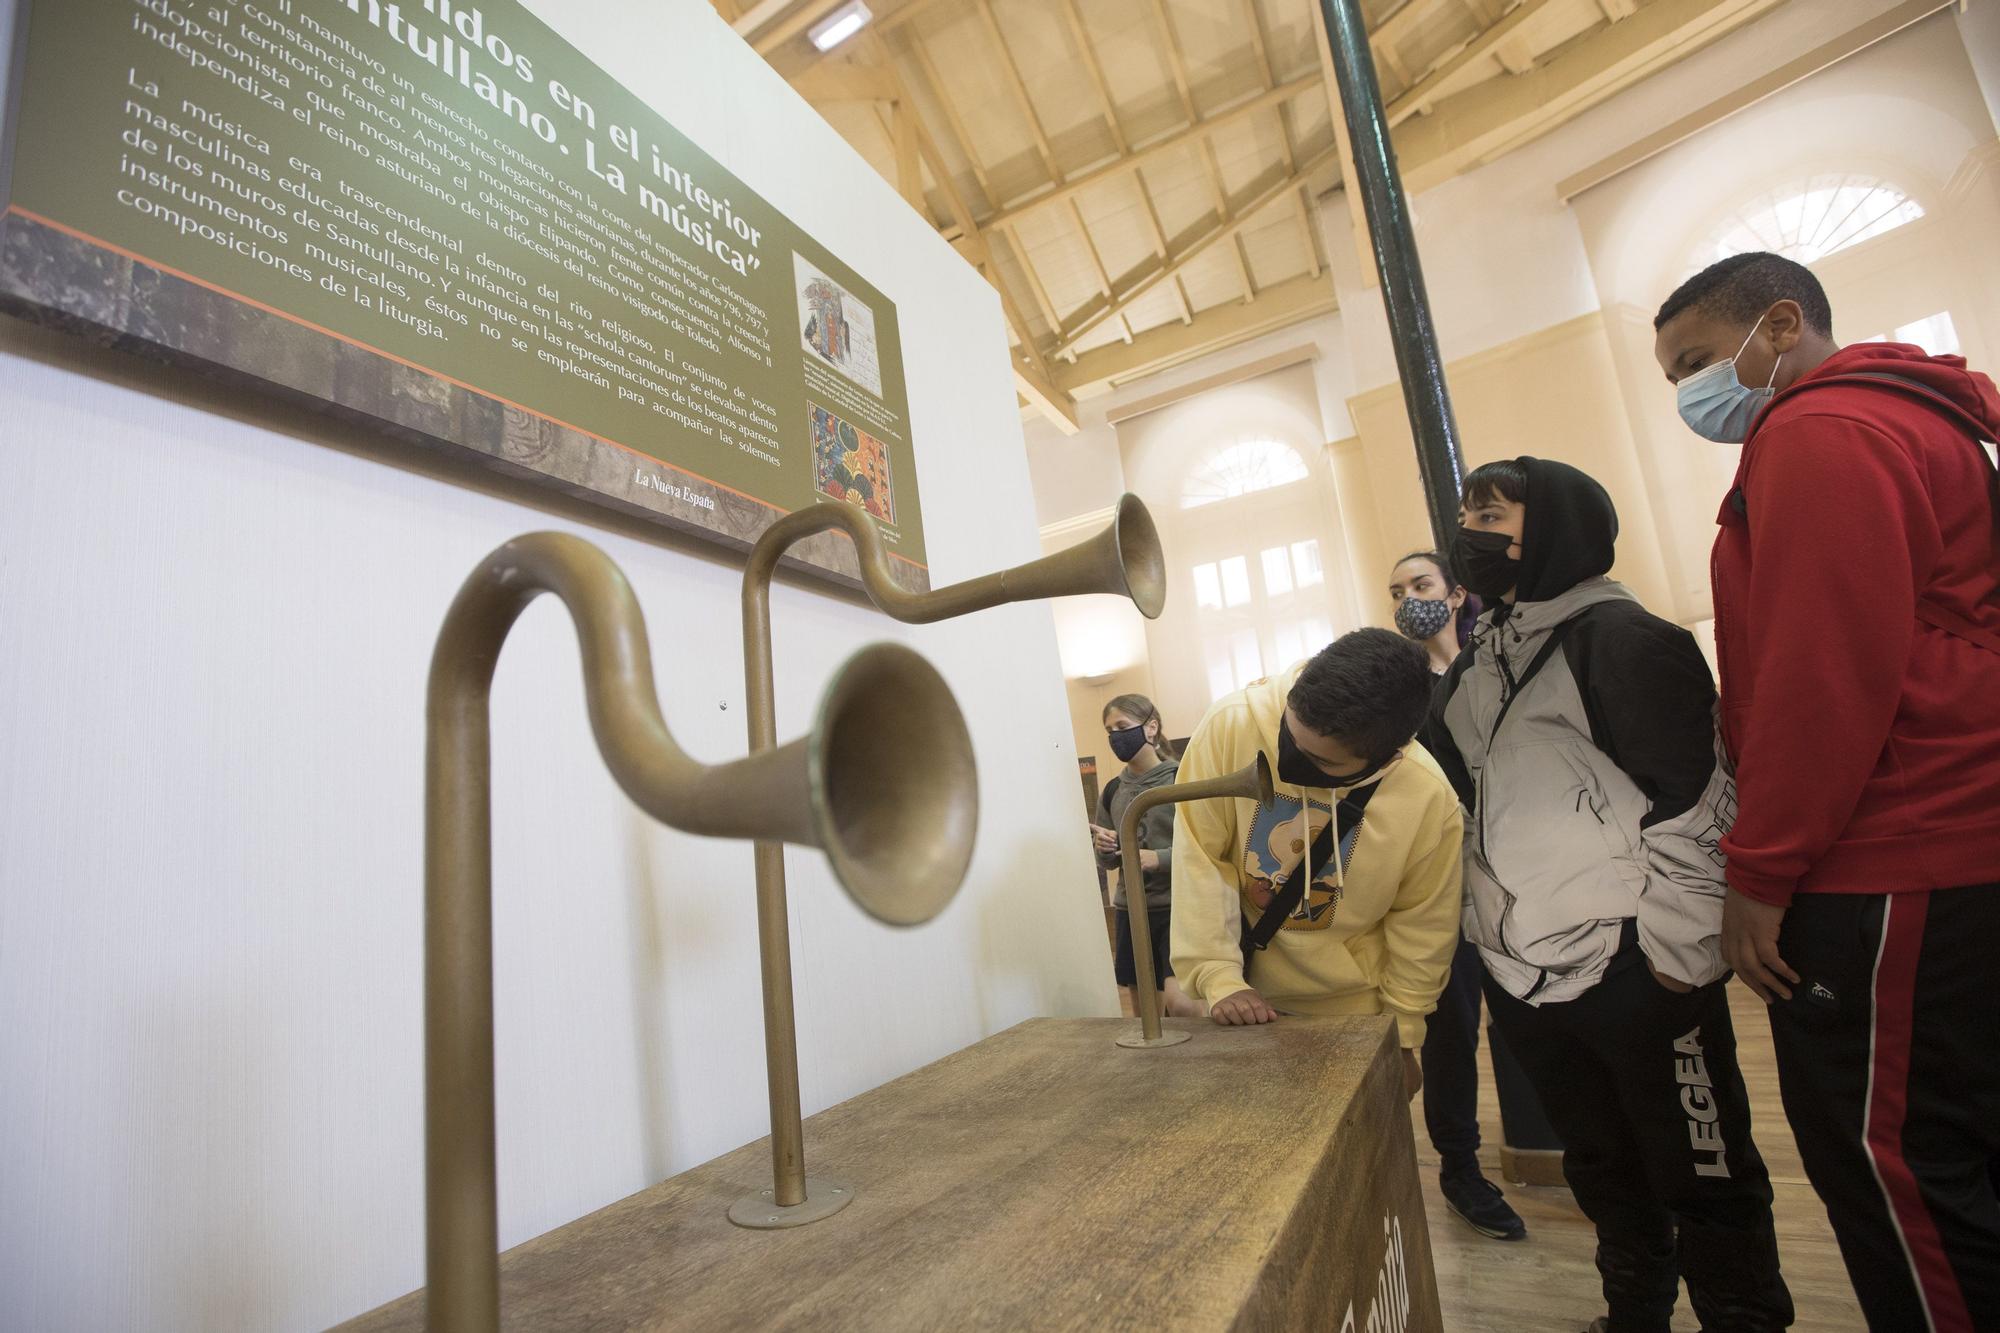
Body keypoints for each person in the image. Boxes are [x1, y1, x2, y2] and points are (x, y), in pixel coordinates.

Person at [1654, 252, 2000, 1331]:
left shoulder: (1815, 432)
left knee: (1892, 1167)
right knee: (1958, 1151)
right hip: (1954, 833)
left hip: (1890, 844)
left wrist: (1759, 869)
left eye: (1697, 361)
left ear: (1782, 322)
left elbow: (1821, 675)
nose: (1687, 394)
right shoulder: (1919, 418)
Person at [1426, 456, 1793, 1333]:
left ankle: (1743, 1318)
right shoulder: (1479, 664)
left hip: (1640, 972)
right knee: (1600, 1163)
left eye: (1494, 512)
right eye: (1467, 511)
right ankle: (1635, 1314)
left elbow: (1698, 803)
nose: (1471, 530)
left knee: (1703, 1172)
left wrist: (1674, 963)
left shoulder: (1625, 639)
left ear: (1555, 525)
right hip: (1528, 983)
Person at [1169, 628, 1464, 1105]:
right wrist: (1218, 979)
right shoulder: (1233, 723)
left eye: (1315, 761)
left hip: (1355, 1011)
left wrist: (1403, 1033)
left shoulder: (1427, 797)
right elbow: (1202, 856)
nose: (1287, 764)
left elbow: (1423, 925)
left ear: (1382, 758)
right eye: (1289, 735)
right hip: (1241, 992)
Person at [1386, 551, 1526, 1242]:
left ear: (1455, 593)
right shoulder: (1398, 692)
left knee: (1535, 1026)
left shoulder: (1496, 668)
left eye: (1420, 585)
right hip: (1443, 890)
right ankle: (1460, 1166)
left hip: (1521, 880)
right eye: (1396, 591)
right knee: (1450, 1032)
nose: (1407, 598)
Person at [1089, 695, 1188, 1016]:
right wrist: (1105, 850)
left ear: (1151, 727)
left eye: (1123, 727)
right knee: (1144, 1010)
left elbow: (1204, 848)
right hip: (1130, 909)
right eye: (1110, 730)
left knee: (1182, 1003)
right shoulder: (1113, 789)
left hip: (1177, 907)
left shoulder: (1181, 779)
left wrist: (1158, 858)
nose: (1116, 736)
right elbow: (1109, 860)